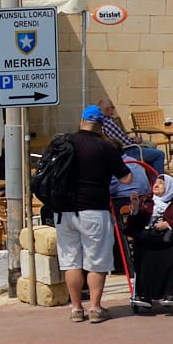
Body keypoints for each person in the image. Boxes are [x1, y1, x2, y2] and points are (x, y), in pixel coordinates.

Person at [50, 111, 124, 323]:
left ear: (81, 121)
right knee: (96, 262)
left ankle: (75, 309)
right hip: (95, 210)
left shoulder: (66, 143)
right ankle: (95, 308)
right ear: (101, 126)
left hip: (65, 212)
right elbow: (126, 178)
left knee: (71, 262)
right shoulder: (106, 147)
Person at [126, 173, 173, 303]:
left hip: (171, 241)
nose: (156, 185)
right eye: (156, 182)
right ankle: (144, 294)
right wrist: (135, 210)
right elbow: (131, 226)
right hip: (148, 240)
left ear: (169, 187)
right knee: (141, 253)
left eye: (161, 183)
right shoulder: (144, 202)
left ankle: (170, 293)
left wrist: (168, 224)